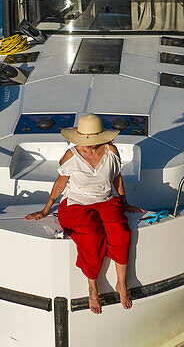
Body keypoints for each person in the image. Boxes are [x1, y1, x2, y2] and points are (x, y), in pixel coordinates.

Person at [26, 114, 142, 313]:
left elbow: (116, 178)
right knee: (91, 235)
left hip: (105, 200)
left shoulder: (111, 151)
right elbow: (60, 183)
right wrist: (46, 210)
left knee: (121, 233)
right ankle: (92, 287)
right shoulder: (71, 156)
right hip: (76, 204)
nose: (89, 145)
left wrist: (124, 203)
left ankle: (121, 284)